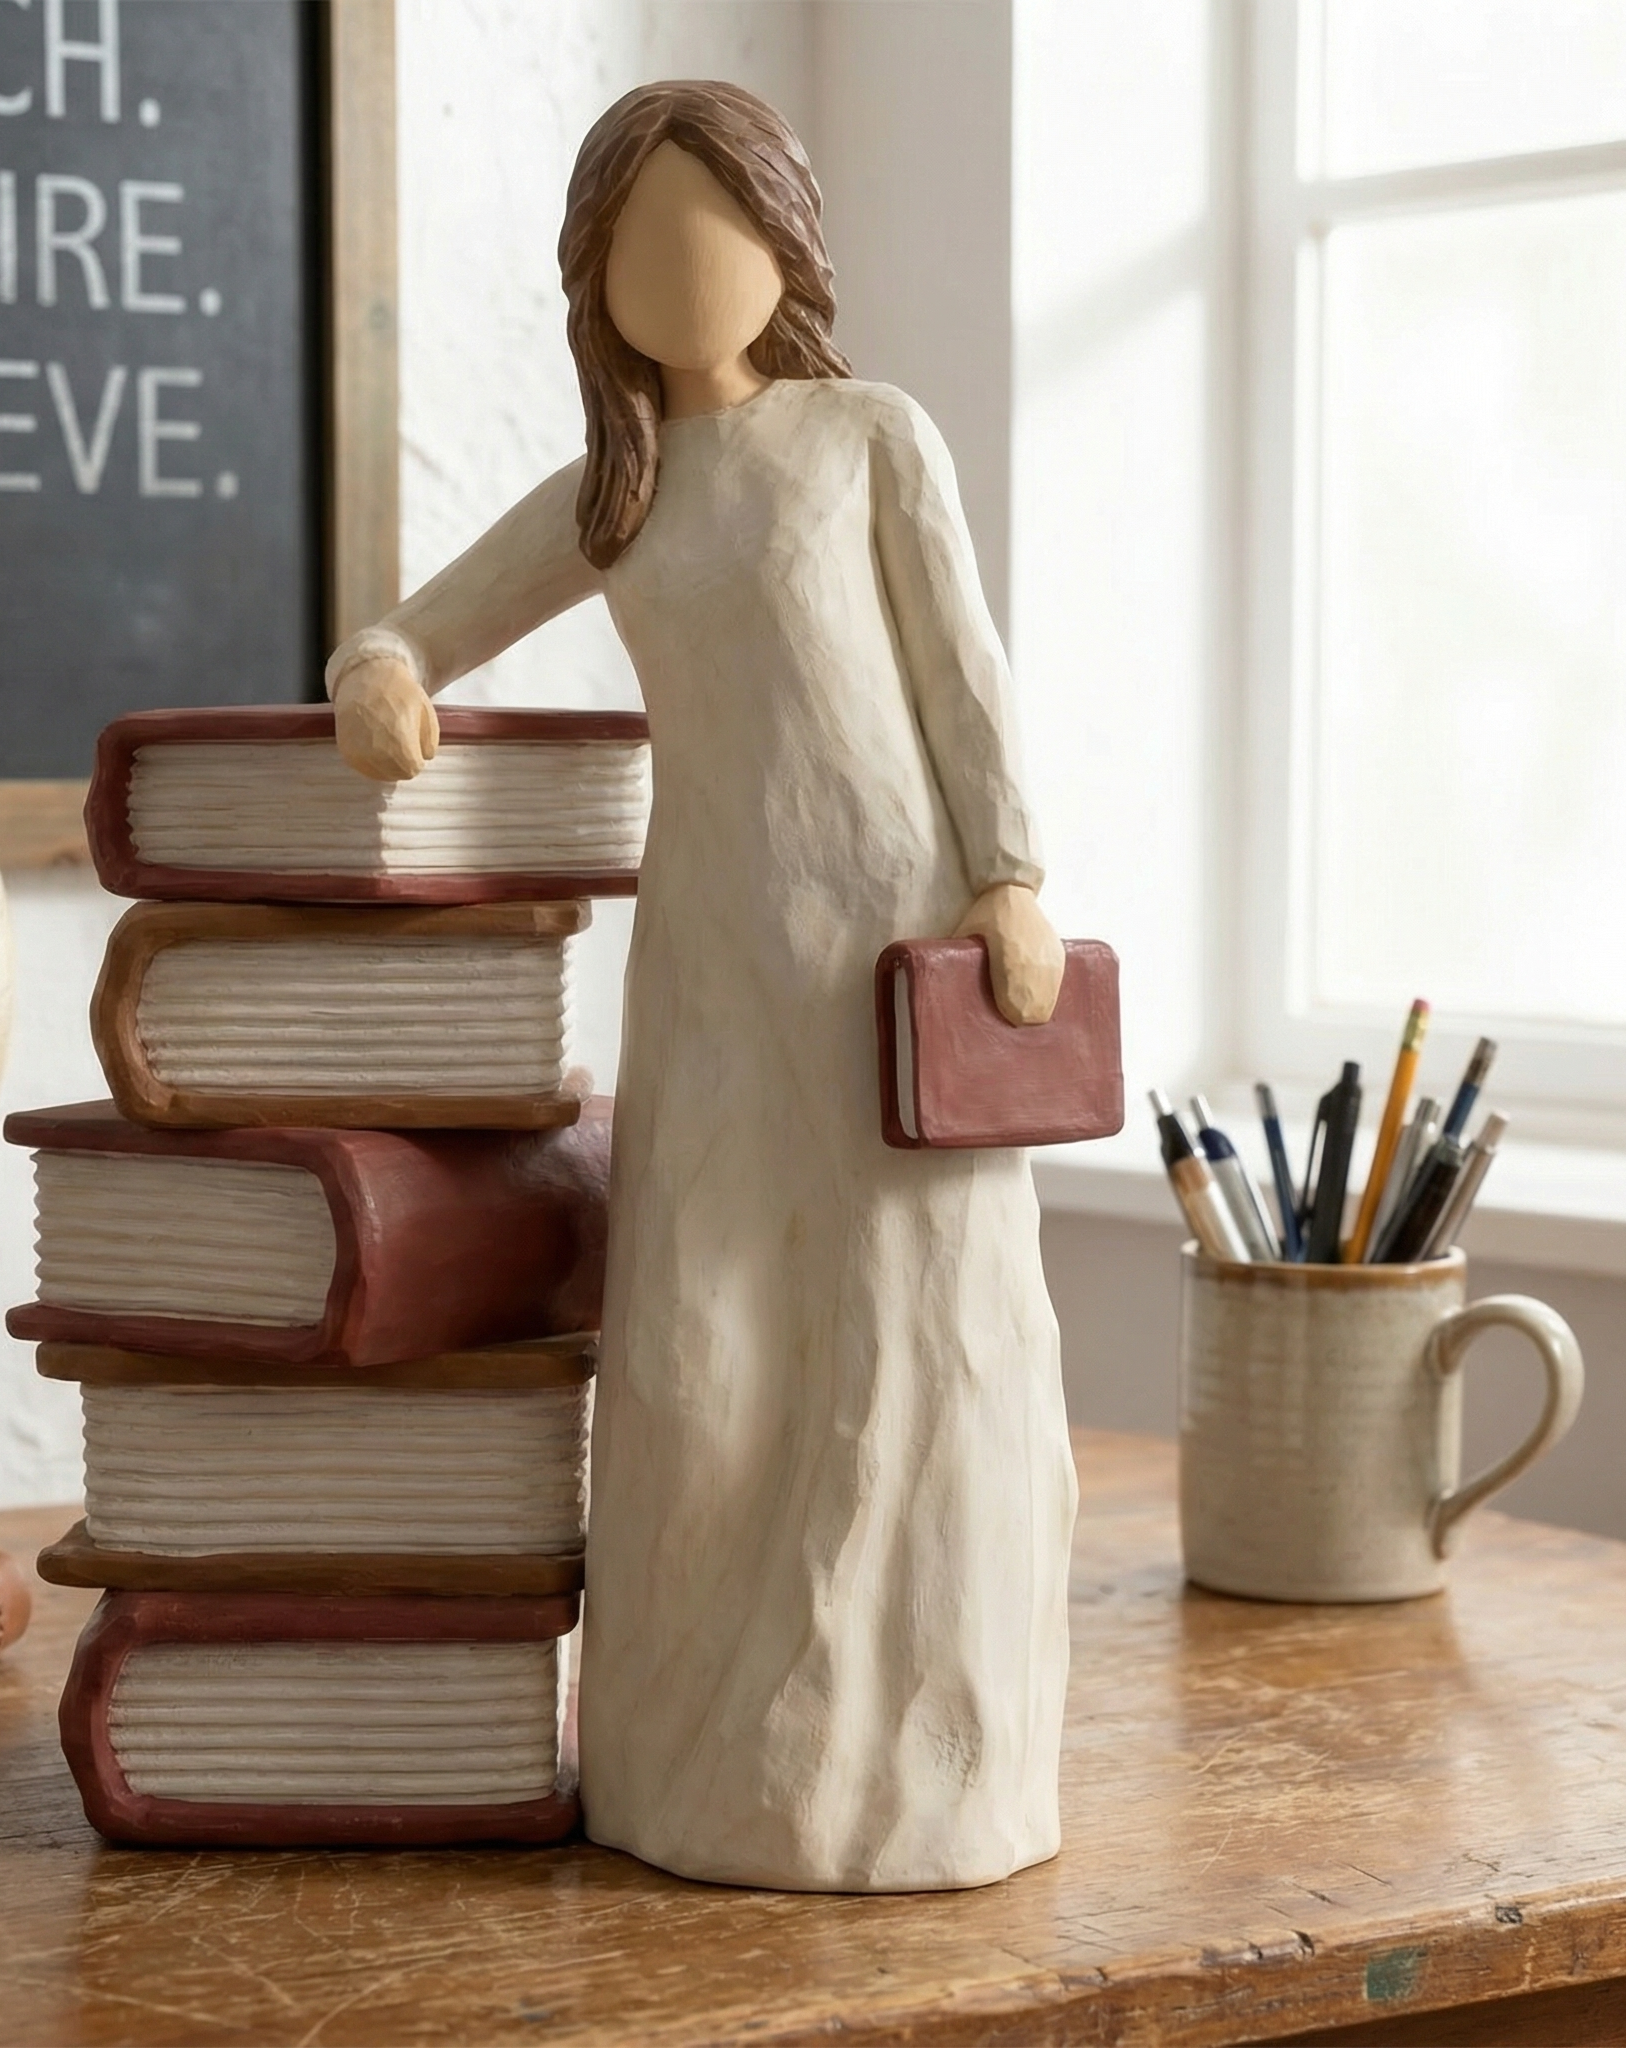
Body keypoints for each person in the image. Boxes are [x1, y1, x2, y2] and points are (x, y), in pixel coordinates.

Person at [325, 80, 1074, 1892]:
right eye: (636, 244)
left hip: (899, 965)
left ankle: (925, 1754)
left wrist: (1011, 876)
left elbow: (960, 677)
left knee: (910, 1327)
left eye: (711, 227)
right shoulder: (617, 491)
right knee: (707, 1344)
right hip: (718, 971)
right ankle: (693, 1756)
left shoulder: (868, 437)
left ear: (784, 239)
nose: (680, 271)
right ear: (592, 281)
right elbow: (424, 619)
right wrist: (379, 667)